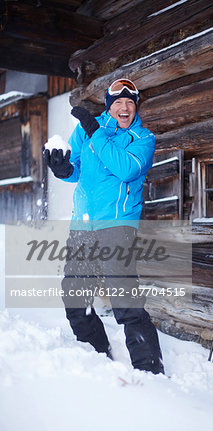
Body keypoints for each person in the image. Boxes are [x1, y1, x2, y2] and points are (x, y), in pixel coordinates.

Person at [44, 79, 164, 375]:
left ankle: (150, 370)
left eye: (130, 103)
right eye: (118, 103)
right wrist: (62, 168)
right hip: (82, 224)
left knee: (125, 301)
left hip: (118, 226)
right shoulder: (89, 129)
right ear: (109, 106)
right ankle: (95, 354)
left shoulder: (143, 138)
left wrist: (95, 132)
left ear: (136, 106)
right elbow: (76, 169)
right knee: (74, 295)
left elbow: (125, 169)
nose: (124, 108)